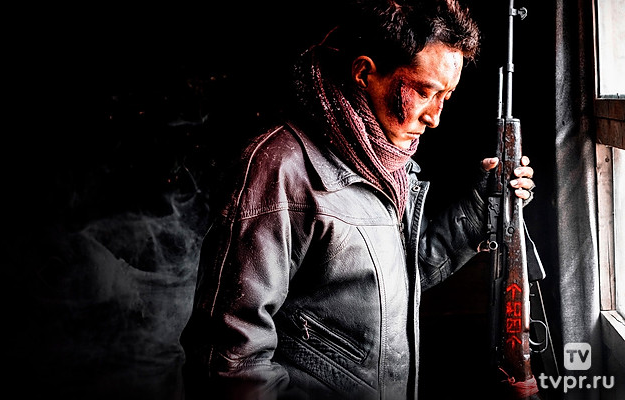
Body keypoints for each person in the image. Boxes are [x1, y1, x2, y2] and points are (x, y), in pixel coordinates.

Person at [181, 0, 536, 399]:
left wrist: (477, 211)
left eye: (446, 97)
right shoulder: (280, 168)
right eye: (424, 92)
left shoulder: (386, 166)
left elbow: (390, 282)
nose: (435, 117)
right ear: (365, 73)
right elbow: (230, 362)